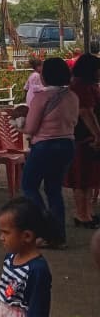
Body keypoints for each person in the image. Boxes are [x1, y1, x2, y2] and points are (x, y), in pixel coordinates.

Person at [20, 57, 78, 246]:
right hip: (67, 144)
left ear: (45, 76)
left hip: (44, 145)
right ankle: (58, 236)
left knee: (29, 185)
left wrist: (17, 124)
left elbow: (30, 128)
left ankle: (46, 229)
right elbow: (74, 121)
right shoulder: (72, 97)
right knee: (54, 190)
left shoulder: (41, 98)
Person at [64, 52, 100, 229]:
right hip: (82, 138)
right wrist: (97, 134)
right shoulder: (81, 87)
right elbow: (86, 112)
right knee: (81, 179)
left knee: (88, 178)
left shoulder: (84, 85)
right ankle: (82, 214)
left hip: (85, 137)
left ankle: (87, 212)